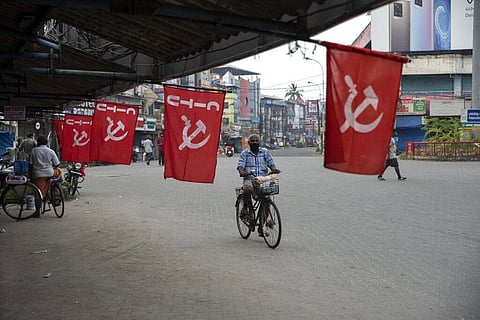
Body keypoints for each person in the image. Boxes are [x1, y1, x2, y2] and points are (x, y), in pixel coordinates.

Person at [237, 134, 280, 237]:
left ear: (259, 142)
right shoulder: (244, 153)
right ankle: (245, 208)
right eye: (253, 141)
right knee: (247, 189)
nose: (255, 142)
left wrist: (273, 169)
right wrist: (242, 172)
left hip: (263, 179)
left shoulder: (265, 152)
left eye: (257, 141)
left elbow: (270, 162)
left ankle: (261, 226)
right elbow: (240, 165)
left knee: (266, 202)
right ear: (249, 143)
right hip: (250, 179)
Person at [29, 136, 62, 217]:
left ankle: (37, 212)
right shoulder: (51, 151)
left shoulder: (34, 151)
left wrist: (30, 175)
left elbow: (30, 164)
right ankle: (56, 191)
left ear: (38, 143)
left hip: (38, 175)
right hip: (50, 173)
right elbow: (57, 164)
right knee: (59, 171)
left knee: (38, 193)